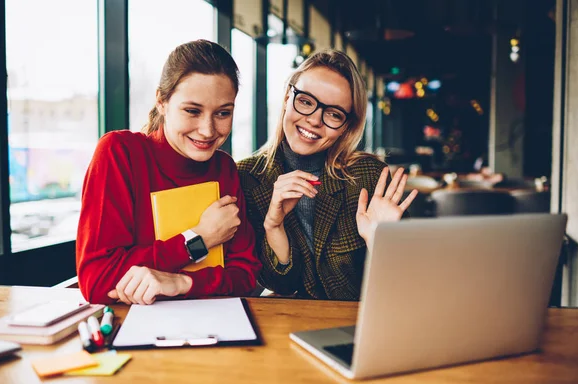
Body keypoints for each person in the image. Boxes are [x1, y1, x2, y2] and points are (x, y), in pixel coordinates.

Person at [77, 40, 261, 305]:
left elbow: (245, 276)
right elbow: (97, 281)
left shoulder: (224, 168)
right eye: (192, 111)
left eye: (223, 113)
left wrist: (181, 283)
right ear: (162, 102)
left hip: (217, 324)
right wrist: (198, 239)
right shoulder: (119, 153)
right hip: (135, 329)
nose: (208, 130)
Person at [237, 49, 417, 301]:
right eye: (306, 101)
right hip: (292, 324)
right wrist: (273, 226)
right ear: (288, 97)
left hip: (363, 322)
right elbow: (282, 284)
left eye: (333, 114)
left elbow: (411, 284)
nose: (314, 120)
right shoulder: (247, 177)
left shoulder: (368, 177)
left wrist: (380, 241)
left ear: (346, 126)